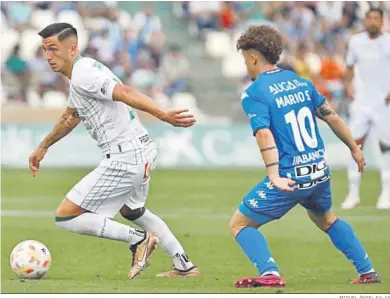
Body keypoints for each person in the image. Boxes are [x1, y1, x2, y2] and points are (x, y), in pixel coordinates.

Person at [28, 23, 200, 279]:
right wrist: (43, 146)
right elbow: (69, 117)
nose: (47, 56)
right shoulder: (81, 75)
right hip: (141, 151)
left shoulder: (84, 73)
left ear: (72, 48)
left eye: (53, 49)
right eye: (44, 50)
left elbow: (124, 92)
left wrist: (163, 114)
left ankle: (139, 240)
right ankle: (185, 266)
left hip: (126, 156)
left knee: (66, 216)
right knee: (133, 211)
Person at [228, 25, 380, 288]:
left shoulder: (254, 93)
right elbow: (330, 115)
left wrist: (274, 175)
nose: (246, 66)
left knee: (240, 224)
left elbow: (263, 134)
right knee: (325, 218)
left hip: (290, 175)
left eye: (245, 60)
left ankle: (269, 273)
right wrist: (354, 148)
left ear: (253, 57)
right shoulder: (301, 81)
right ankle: (367, 271)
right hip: (319, 172)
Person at [342, 8, 390, 210]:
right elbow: (349, 67)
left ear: (382, 21)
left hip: (384, 103)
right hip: (361, 102)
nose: (372, 22)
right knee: (354, 145)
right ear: (364, 20)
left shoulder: (388, 41)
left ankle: (386, 193)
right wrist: (348, 88)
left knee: (386, 148)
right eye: (369, 18)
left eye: (376, 19)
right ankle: (353, 194)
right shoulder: (356, 41)